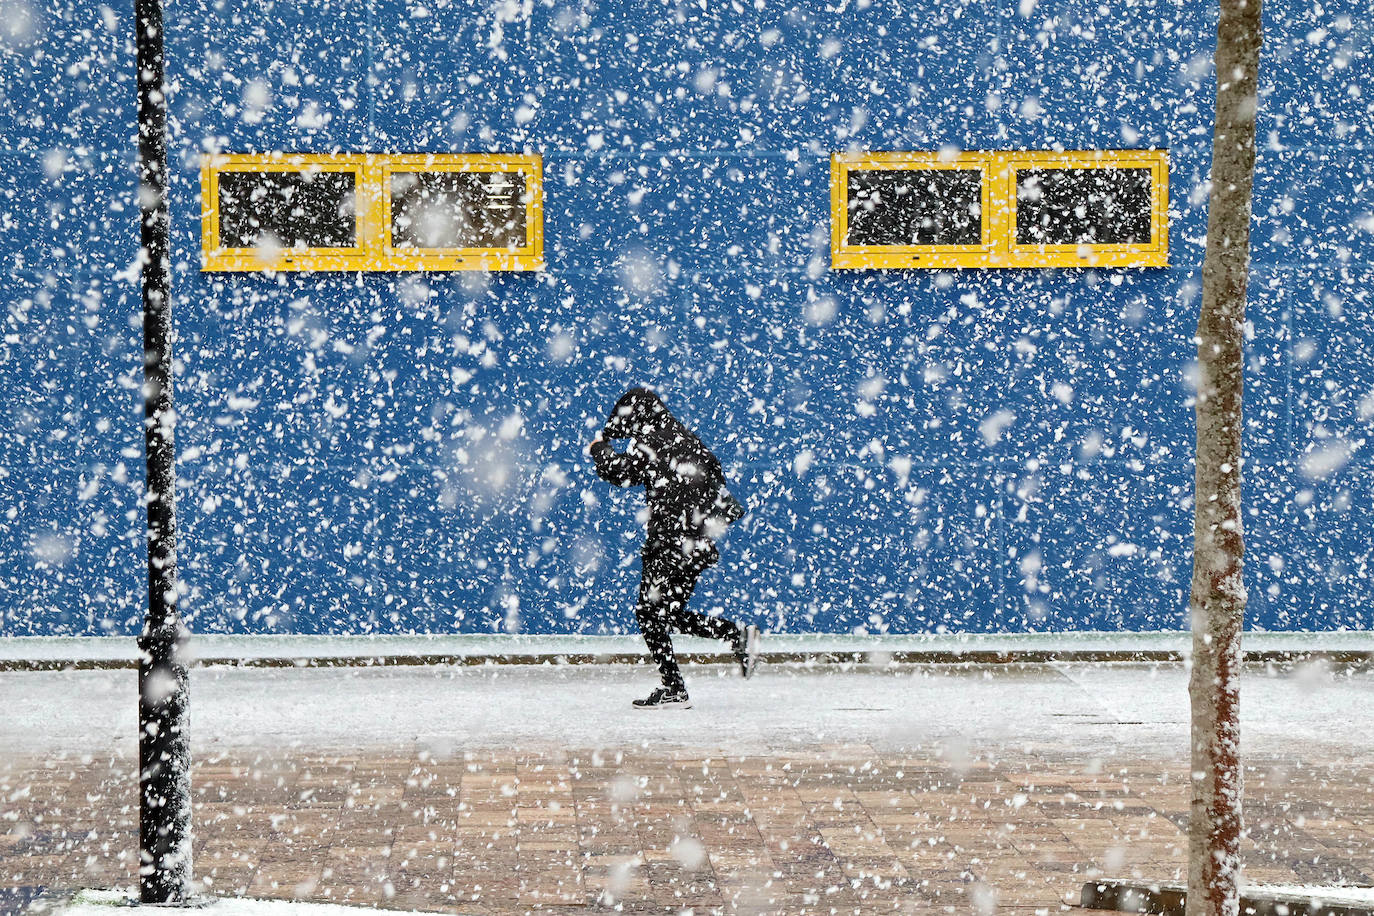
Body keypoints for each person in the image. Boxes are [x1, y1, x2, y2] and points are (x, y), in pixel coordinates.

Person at [590, 387, 757, 709]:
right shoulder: (689, 440)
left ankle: (675, 689)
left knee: (649, 613)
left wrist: (600, 449)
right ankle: (735, 635)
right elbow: (716, 487)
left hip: (669, 542)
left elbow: (621, 473)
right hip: (695, 544)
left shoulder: (651, 441)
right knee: (667, 613)